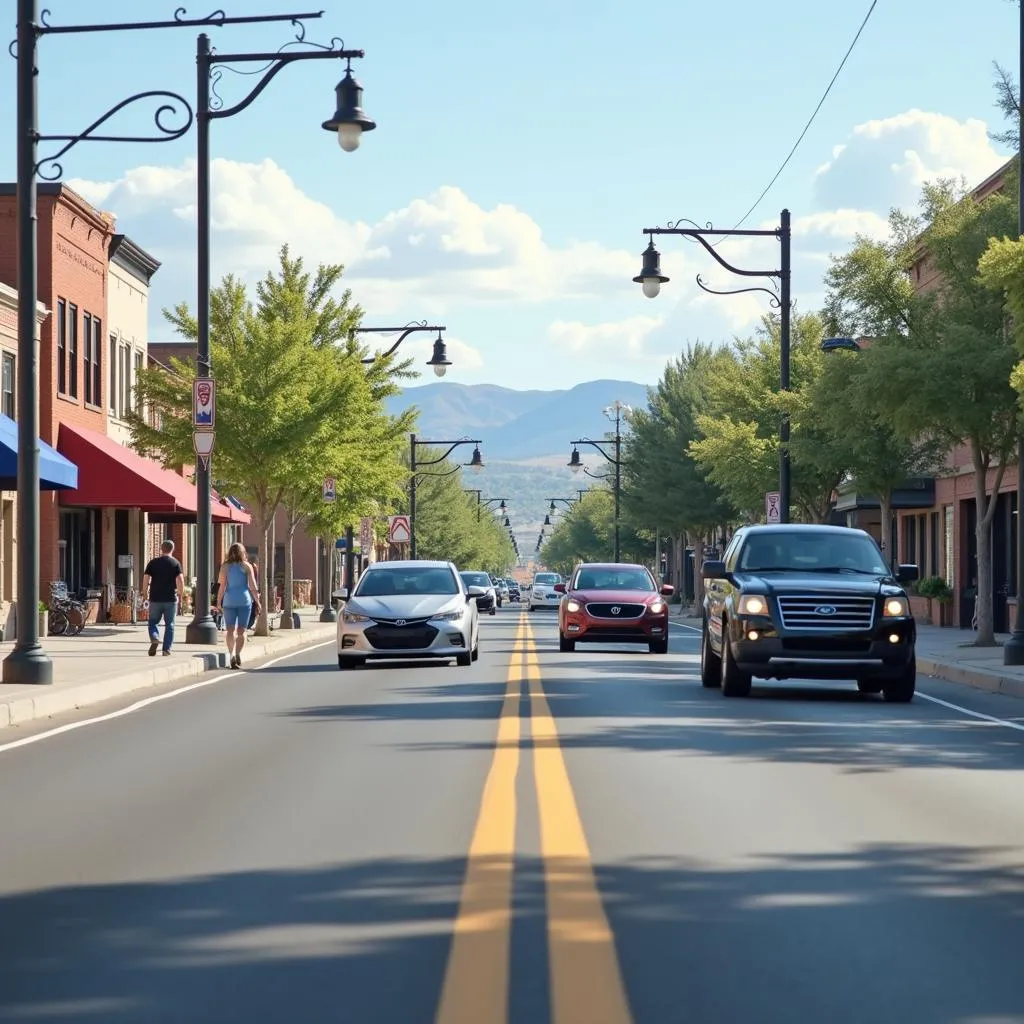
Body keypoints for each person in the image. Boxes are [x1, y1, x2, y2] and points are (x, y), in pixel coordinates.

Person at [215, 542, 261, 669]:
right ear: (243, 553)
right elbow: (253, 587)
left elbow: (222, 586)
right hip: (244, 601)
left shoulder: (225, 567)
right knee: (242, 630)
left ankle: (231, 655)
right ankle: (238, 653)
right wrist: (258, 602)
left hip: (229, 601)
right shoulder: (247, 566)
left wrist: (219, 602)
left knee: (230, 630)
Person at [141, 539, 185, 657]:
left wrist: (145, 593)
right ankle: (166, 650)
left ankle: (155, 637)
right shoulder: (175, 563)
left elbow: (146, 579)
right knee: (170, 625)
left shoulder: (153, 563)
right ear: (173, 549)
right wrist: (180, 595)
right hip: (170, 599)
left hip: (155, 598)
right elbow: (180, 580)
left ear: (161, 549)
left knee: (153, 622)